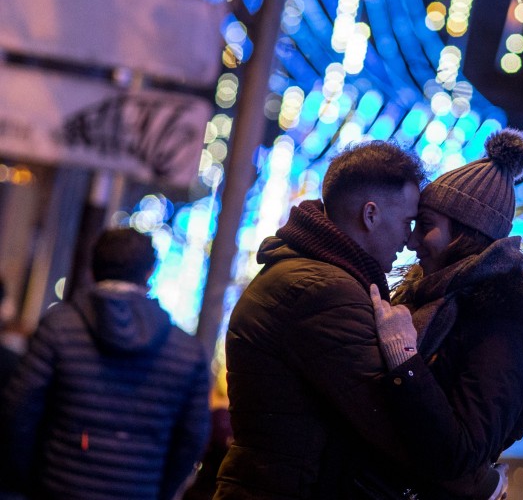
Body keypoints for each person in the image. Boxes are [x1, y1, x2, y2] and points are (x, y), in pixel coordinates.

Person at [217, 140, 488, 499]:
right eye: (407, 222)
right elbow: (390, 426)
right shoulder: (324, 291)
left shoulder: (303, 272)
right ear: (370, 215)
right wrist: (484, 485)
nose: (409, 241)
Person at [369, 129, 523, 499]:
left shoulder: (505, 323)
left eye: (426, 226)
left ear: (465, 234)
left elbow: (461, 451)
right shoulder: (434, 298)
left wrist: (404, 359)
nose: (410, 241)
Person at [0, 228, 211, 500]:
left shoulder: (58, 328)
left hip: (56, 486)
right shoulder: (187, 350)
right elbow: (193, 437)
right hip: (139, 490)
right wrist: (158, 490)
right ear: (149, 273)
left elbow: (18, 411)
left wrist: (30, 479)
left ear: (92, 268)